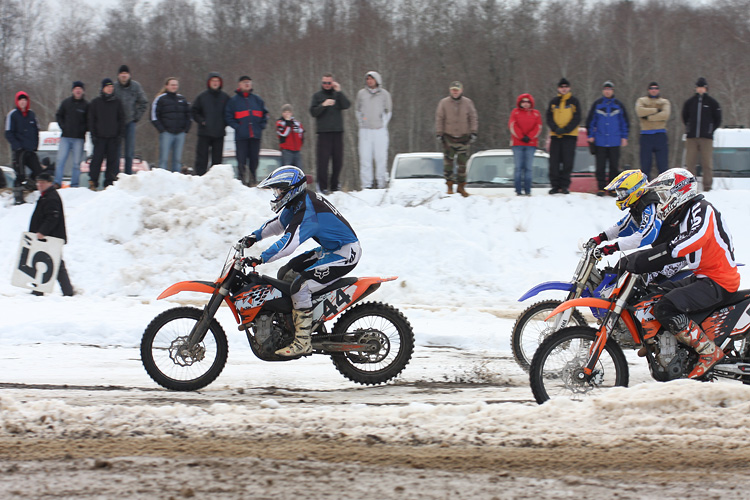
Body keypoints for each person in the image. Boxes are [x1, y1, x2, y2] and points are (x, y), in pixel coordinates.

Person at [621, 168, 739, 378]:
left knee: (666, 307)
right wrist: (636, 259)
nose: (662, 201)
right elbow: (664, 244)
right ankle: (659, 343)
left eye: (664, 195)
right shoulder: (684, 214)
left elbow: (686, 243)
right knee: (652, 295)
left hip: (719, 280)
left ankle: (708, 351)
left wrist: (645, 260)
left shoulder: (703, 210)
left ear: (679, 192)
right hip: (702, 276)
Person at [240, 166, 361, 357]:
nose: (276, 195)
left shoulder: (308, 211)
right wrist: (253, 237)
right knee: (285, 273)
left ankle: (303, 341)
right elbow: (278, 224)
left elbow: (288, 244)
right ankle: (293, 324)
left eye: (279, 191)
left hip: (345, 254)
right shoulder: (298, 202)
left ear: (291, 190)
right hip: (331, 249)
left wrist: (261, 258)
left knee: (300, 286)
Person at [586, 170, 660, 256]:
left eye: (622, 193)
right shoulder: (639, 206)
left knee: (633, 262)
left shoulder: (650, 206)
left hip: (670, 248)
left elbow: (647, 236)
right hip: (663, 246)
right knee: (627, 262)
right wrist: (600, 238)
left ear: (636, 190)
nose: (620, 197)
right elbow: (625, 226)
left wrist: (614, 247)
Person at [29, 171, 74, 297]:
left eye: (43, 182)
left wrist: (42, 232)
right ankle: (40, 289)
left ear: (50, 183)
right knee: (49, 262)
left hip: (51, 237)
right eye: (38, 182)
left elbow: (52, 217)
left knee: (54, 263)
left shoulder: (51, 197)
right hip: (48, 237)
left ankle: (66, 291)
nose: (40, 185)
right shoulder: (46, 195)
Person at [585, 81, 629, 196]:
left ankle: (613, 188)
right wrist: (590, 135)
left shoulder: (618, 105)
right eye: (605, 89)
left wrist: (624, 137)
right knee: (600, 166)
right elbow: (591, 121)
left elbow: (624, 122)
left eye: (609, 89)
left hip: (615, 141)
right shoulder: (597, 104)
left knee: (614, 166)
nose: (607, 91)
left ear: (612, 91)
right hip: (600, 141)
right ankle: (601, 188)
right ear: (603, 91)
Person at [435, 81, 478, 197]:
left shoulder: (468, 103)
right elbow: (439, 118)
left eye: (457, 90)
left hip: (464, 137)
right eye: (453, 90)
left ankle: (461, 187)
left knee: (462, 164)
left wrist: (473, 131)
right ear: (450, 91)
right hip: (448, 137)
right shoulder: (444, 103)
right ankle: (449, 186)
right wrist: (439, 133)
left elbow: (473, 117)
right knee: (448, 164)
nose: (455, 92)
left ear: (461, 90)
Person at [309, 73, 350, 193]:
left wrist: (339, 91)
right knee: (323, 161)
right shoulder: (317, 96)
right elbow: (313, 112)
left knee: (338, 161)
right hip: (324, 133)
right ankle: (322, 187)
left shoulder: (337, 95)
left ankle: (335, 185)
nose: (326, 85)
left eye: (329, 83)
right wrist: (323, 105)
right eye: (324, 83)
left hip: (337, 132)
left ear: (333, 83)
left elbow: (346, 105)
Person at [225, 76, 268, 185]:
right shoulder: (233, 101)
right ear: (239, 85)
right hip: (241, 136)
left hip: (255, 135)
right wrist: (237, 127)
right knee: (241, 160)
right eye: (245, 82)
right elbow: (228, 116)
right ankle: (242, 181)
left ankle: (253, 179)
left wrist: (261, 126)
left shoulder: (257, 100)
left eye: (249, 82)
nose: (247, 84)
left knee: (254, 160)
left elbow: (265, 115)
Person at [682, 77, 722, 192]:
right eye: (698, 87)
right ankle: (689, 187)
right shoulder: (690, 102)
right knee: (690, 163)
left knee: (707, 163)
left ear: (706, 88)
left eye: (702, 87)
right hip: (692, 138)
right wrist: (689, 128)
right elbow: (685, 117)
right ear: (696, 88)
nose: (700, 89)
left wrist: (710, 130)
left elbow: (718, 119)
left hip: (706, 138)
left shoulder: (712, 103)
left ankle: (707, 186)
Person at [356, 71, 392, 189]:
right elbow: (358, 110)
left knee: (381, 158)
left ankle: (381, 183)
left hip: (379, 130)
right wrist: (362, 122)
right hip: (365, 131)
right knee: (365, 158)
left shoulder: (384, 94)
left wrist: (383, 124)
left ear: (377, 80)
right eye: (367, 79)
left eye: (372, 79)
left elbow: (388, 111)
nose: (369, 81)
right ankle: (366, 185)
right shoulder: (361, 94)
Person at [5, 91, 42, 204]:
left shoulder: (32, 114)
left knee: (38, 171)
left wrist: (35, 145)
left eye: (25, 100)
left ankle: (28, 188)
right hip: (19, 150)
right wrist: (17, 146)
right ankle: (18, 198)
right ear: (17, 101)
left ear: (27, 102)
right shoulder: (13, 115)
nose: (23, 102)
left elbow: (36, 130)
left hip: (30, 149)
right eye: (20, 100)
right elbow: (8, 132)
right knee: (20, 174)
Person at [88, 78, 125, 189]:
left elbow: (121, 119)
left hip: (113, 138)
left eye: (111, 87)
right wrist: (93, 135)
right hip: (99, 137)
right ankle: (93, 182)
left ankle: (109, 183)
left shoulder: (117, 102)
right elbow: (91, 120)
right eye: (107, 87)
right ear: (103, 88)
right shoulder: (96, 102)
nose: (110, 89)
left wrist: (120, 135)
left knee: (112, 162)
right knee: (96, 160)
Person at [546, 78, 581, 195]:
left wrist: (566, 129)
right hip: (555, 136)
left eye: (566, 87)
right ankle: (555, 186)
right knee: (554, 162)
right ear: (558, 88)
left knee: (567, 162)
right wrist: (555, 128)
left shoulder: (574, 101)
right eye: (562, 87)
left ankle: (565, 185)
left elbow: (577, 118)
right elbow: (549, 117)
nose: (564, 89)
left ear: (569, 88)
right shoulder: (553, 102)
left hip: (569, 136)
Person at [191, 71, 230, 175]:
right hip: (204, 132)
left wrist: (224, 123)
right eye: (213, 81)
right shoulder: (202, 96)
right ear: (209, 82)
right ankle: (199, 177)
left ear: (220, 83)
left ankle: (216, 178)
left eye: (217, 81)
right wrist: (202, 121)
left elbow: (230, 113)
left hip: (219, 133)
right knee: (202, 158)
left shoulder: (225, 97)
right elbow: (194, 111)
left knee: (217, 160)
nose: (215, 83)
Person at [113, 65, 148, 175]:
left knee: (129, 152)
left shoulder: (135, 86)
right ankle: (115, 176)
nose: (124, 75)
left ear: (129, 75)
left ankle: (128, 176)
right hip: (116, 124)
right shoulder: (113, 87)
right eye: (122, 73)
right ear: (118, 75)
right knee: (116, 152)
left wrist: (136, 116)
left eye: (126, 73)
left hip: (130, 122)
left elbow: (144, 102)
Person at [151, 77, 191, 172]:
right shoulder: (160, 99)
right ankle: (162, 177)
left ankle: (176, 178)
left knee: (177, 160)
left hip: (180, 133)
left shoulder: (182, 99)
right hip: (166, 133)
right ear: (167, 86)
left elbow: (189, 114)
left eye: (176, 85)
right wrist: (161, 129)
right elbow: (153, 116)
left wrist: (186, 129)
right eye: (172, 85)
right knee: (164, 159)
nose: (174, 87)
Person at [54, 81, 88, 188]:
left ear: (83, 91)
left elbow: (90, 121)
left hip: (79, 138)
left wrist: (83, 129)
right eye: (76, 89)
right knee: (60, 160)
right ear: (73, 90)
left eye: (80, 89)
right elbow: (58, 115)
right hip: (65, 137)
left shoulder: (86, 105)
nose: (78, 91)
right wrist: (63, 126)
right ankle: (57, 182)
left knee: (77, 163)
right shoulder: (66, 103)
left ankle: (74, 184)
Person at [508, 93, 542, 196]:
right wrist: (521, 136)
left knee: (528, 168)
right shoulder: (515, 112)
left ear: (531, 103)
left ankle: (528, 190)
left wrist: (529, 137)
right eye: (523, 102)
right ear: (520, 103)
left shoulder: (536, 113)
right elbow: (512, 125)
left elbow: (538, 127)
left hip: (531, 144)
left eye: (528, 102)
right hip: (517, 143)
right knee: (518, 167)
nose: (526, 104)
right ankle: (518, 190)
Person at [635, 82, 671, 177]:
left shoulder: (664, 102)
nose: (653, 90)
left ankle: (663, 185)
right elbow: (640, 112)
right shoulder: (641, 100)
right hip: (646, 135)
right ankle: (645, 185)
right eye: (651, 88)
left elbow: (665, 115)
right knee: (645, 166)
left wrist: (648, 117)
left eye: (656, 88)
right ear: (648, 90)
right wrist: (656, 110)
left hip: (660, 135)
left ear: (658, 90)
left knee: (663, 166)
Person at [276, 104, 304, 169]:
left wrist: (300, 144)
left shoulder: (297, 123)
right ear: (282, 113)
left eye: (288, 112)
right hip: (287, 150)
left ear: (291, 113)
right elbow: (284, 134)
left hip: (297, 150)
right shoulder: (280, 123)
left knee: (299, 169)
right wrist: (288, 123)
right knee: (287, 169)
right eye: (285, 112)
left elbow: (301, 133)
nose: (287, 114)